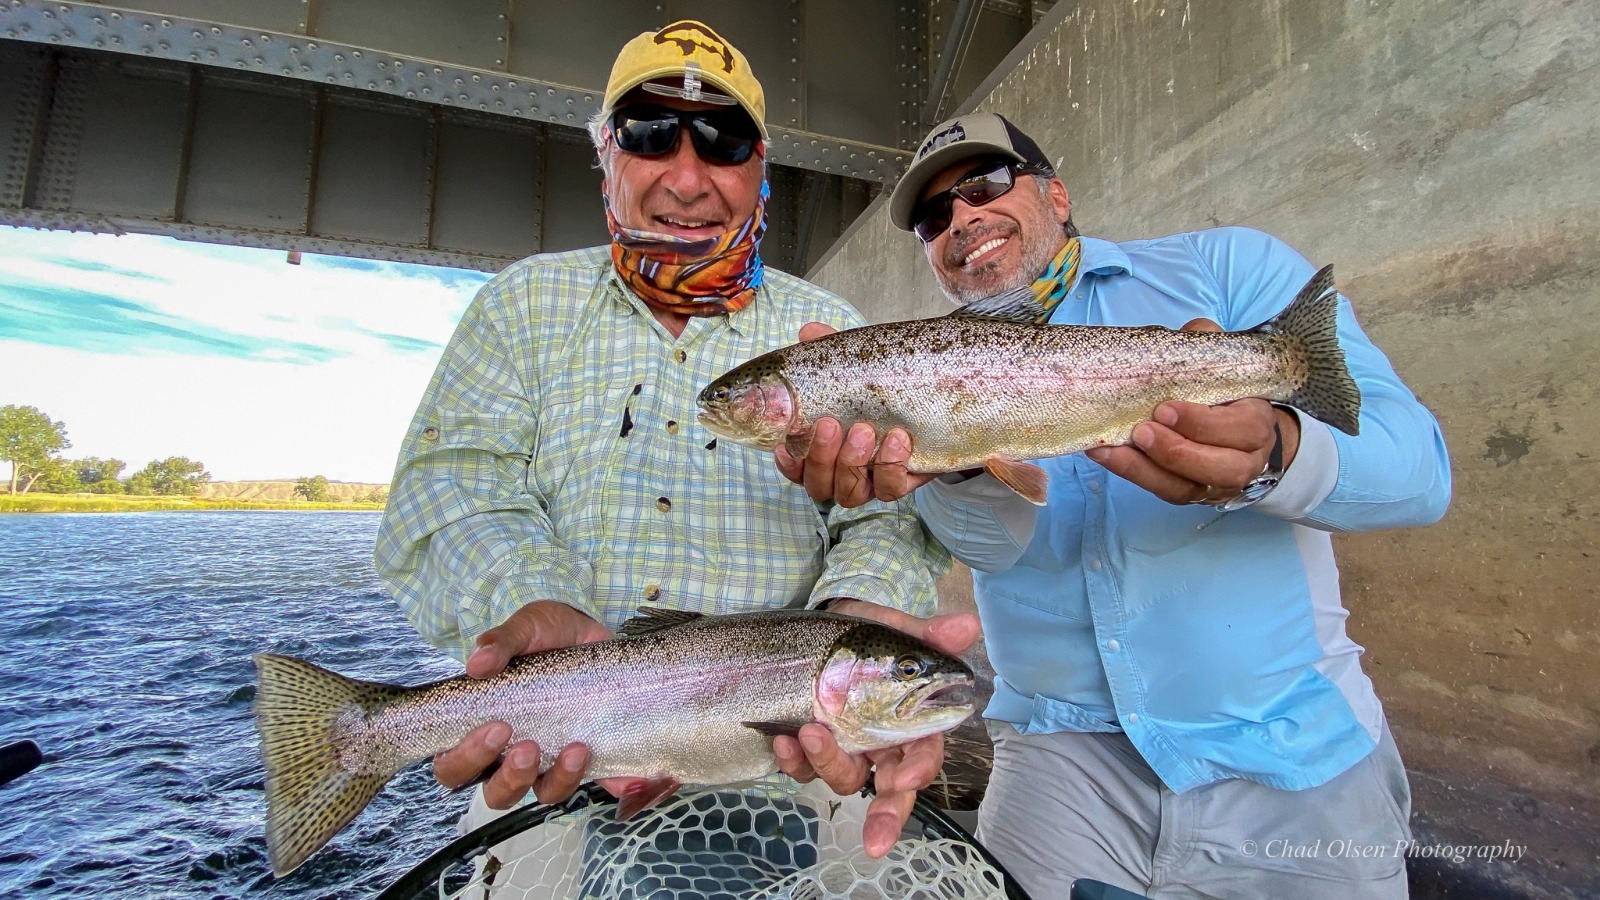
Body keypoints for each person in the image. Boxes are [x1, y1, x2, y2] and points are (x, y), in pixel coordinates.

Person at [779, 111, 1452, 898]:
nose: (961, 217)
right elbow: (996, 551)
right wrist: (956, 462)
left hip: (1294, 760)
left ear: (1057, 194)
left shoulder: (1229, 267)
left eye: (985, 184)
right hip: (1059, 769)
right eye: (934, 216)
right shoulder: (923, 369)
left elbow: (1421, 475)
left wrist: (1276, 451)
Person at [373, 20, 974, 863]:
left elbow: (884, 522)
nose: (687, 178)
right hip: (556, 767)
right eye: (650, 135)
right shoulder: (520, 305)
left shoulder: (831, 329)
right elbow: (452, 486)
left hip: (795, 772)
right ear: (606, 154)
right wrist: (526, 593)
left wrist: (856, 628)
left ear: (761, 167)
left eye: (723, 142)